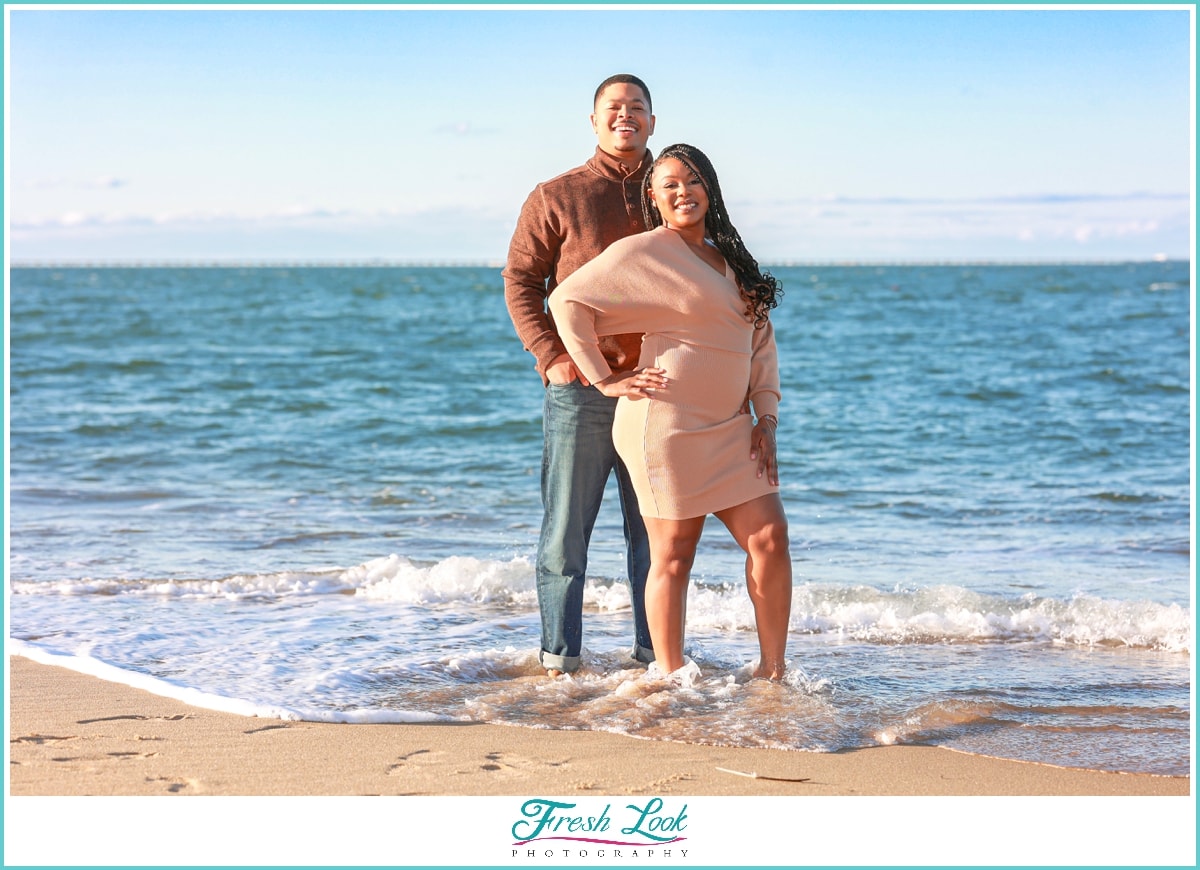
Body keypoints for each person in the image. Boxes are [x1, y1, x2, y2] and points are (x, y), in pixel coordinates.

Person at [548, 143, 792, 680]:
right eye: (670, 185)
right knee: (674, 555)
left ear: (711, 187)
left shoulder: (731, 258)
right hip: (665, 428)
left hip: (732, 430)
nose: (684, 192)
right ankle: (670, 676)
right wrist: (606, 378)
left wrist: (766, 417)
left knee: (771, 539)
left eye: (693, 180)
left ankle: (772, 674)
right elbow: (567, 302)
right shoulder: (646, 251)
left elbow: (760, 345)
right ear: (654, 199)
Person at [502, 74, 658, 678]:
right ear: (593, 121)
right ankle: (559, 662)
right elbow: (521, 282)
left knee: (656, 536)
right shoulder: (557, 195)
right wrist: (551, 355)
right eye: (614, 109)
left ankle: (656, 659)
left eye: (637, 108)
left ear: (652, 120)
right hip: (583, 392)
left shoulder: (671, 189)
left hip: (656, 390)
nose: (626, 116)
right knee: (565, 535)